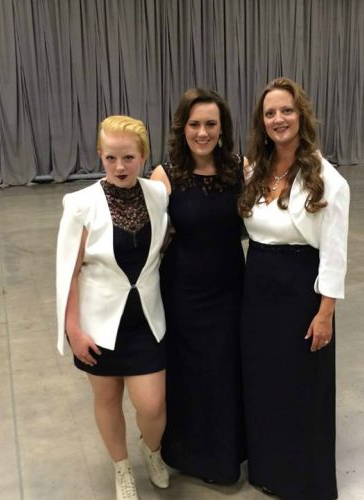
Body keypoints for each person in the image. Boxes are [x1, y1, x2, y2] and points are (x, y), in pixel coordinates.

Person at [238, 77, 350, 499]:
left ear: (301, 115)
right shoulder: (255, 170)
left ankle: (302, 480)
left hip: (301, 293)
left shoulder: (328, 180)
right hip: (257, 291)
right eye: (270, 113)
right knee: (264, 382)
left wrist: (325, 314)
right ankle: (268, 468)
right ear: (261, 122)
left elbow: (334, 255)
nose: (278, 119)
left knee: (301, 388)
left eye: (286, 110)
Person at [56, 115, 170, 500]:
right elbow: (68, 272)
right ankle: (121, 467)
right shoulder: (80, 204)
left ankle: (151, 450)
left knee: (152, 405)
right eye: (110, 158)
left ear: (143, 156)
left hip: (147, 321)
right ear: (100, 156)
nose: (119, 167)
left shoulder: (157, 195)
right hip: (98, 325)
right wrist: (73, 329)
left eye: (128, 158)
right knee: (106, 399)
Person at [151, 88, 246, 484]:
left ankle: (226, 456)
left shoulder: (240, 169)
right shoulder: (165, 175)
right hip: (183, 292)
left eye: (210, 124)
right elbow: (151, 240)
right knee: (190, 373)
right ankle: (189, 454)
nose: (202, 132)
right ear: (182, 128)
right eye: (194, 124)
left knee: (225, 371)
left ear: (222, 128)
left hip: (231, 288)